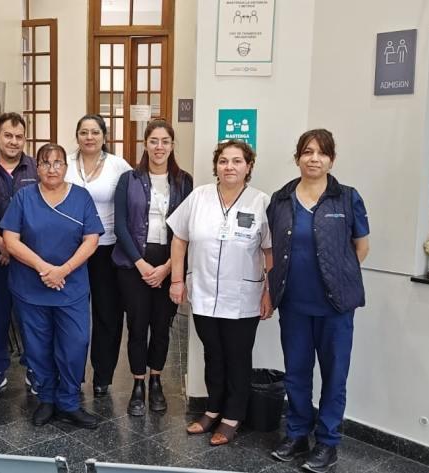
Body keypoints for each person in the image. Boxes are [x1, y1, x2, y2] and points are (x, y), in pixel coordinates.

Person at [267, 129, 369, 473]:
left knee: (334, 376)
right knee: (296, 374)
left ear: (331, 160)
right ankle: (297, 434)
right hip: (294, 304)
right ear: (297, 157)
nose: (314, 158)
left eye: (322, 153)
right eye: (307, 152)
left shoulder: (347, 198)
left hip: (335, 307)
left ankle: (327, 442)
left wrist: (338, 277)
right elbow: (273, 249)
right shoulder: (281, 199)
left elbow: (361, 247)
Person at [167, 139, 273, 446]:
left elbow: (269, 251)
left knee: (237, 356)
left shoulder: (261, 202)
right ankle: (213, 409)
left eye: (237, 161)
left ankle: (233, 416)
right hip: (203, 293)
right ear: (216, 165)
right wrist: (177, 280)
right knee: (213, 354)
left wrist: (269, 292)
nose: (229, 167)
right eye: (223, 161)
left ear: (248, 166)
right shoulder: (199, 197)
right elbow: (179, 239)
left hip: (243, 297)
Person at [0, 143, 104, 429]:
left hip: (71, 288)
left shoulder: (81, 197)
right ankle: (47, 399)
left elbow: (91, 239)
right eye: (45, 163)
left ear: (66, 167)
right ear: (37, 168)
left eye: (58, 163)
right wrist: (44, 268)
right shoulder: (24, 198)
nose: (52, 169)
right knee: (37, 347)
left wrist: (63, 270)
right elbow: (10, 240)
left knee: (75, 344)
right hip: (31, 288)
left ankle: (69, 402)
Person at [112, 119, 193, 416]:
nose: (159, 147)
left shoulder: (184, 181)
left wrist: (168, 268)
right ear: (145, 144)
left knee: (161, 326)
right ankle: (138, 384)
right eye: (154, 141)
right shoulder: (129, 179)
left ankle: (156, 380)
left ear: (172, 145)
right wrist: (142, 265)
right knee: (137, 326)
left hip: (170, 261)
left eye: (165, 141)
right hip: (134, 263)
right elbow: (120, 226)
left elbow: (188, 228)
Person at [65, 114, 132, 397]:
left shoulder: (119, 166)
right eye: (84, 132)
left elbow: (132, 202)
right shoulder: (66, 163)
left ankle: (103, 376)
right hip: (71, 249)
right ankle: (72, 374)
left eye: (95, 132)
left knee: (108, 315)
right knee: (72, 315)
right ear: (77, 136)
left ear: (104, 136)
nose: (89, 137)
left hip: (107, 248)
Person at [0, 112, 38, 399]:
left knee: (31, 317)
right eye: (8, 136)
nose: (13, 142)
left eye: (19, 137)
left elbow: (41, 211)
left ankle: (34, 368)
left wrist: (15, 248)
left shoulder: (36, 169)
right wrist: (2, 244)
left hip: (28, 259)